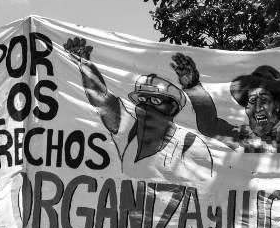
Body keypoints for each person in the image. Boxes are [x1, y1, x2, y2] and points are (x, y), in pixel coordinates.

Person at [64, 38, 214, 183]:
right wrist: (85, 65)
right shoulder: (129, 133)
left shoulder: (190, 144)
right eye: (142, 100)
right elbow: (102, 99)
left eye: (156, 100)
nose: (146, 106)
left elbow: (205, 189)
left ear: (173, 108)